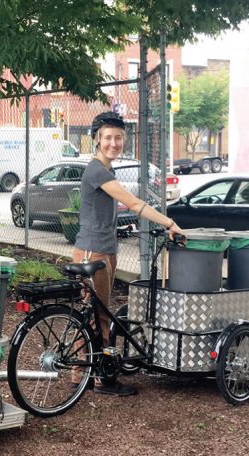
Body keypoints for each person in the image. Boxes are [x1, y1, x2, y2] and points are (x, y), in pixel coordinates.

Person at [73, 111, 186, 396]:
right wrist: (169, 223)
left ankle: (81, 372)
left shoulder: (106, 171)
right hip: (92, 251)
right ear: (97, 140)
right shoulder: (97, 170)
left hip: (105, 249)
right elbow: (134, 203)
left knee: (95, 314)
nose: (114, 143)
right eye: (108, 137)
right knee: (97, 316)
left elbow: (110, 210)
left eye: (118, 137)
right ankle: (100, 378)